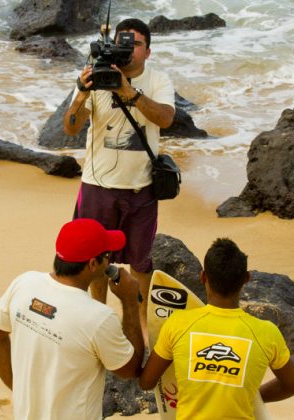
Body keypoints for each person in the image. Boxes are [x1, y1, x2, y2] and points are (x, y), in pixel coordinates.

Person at [62, 18, 176, 328]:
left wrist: (130, 93)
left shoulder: (158, 80)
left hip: (141, 188)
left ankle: (141, 323)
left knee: (140, 263)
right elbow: (70, 128)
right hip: (98, 186)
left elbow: (166, 118)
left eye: (135, 44)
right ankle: (96, 319)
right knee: (95, 260)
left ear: (148, 52)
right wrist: (81, 93)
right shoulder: (98, 75)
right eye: (122, 43)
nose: (128, 50)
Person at [0, 218, 144, 420]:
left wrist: (19, 389)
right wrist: (129, 302)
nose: (110, 262)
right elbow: (131, 369)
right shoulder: (98, 317)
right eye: (107, 256)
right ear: (93, 263)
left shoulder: (25, 283)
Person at [139, 238, 294, 419]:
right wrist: (253, 397)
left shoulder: (178, 324)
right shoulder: (266, 333)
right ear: (246, 279)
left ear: (203, 277)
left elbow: (147, 382)